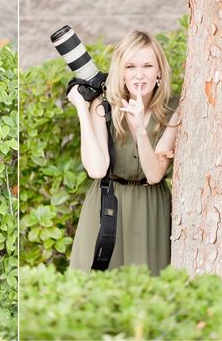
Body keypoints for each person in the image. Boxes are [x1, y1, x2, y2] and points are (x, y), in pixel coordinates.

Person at [68, 31, 180, 275]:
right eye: (130, 66)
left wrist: (140, 129)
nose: (139, 74)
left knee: (148, 292)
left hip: (150, 210)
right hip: (106, 206)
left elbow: (154, 175)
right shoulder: (104, 105)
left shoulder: (173, 109)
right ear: (121, 72)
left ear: (159, 71)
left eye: (148, 65)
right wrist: (82, 109)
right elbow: (97, 169)